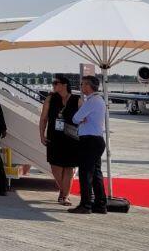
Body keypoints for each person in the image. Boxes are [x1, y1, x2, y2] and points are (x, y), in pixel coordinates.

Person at [38, 74, 80, 205]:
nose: (53, 85)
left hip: (71, 138)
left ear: (64, 85)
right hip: (54, 137)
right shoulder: (50, 99)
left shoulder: (77, 100)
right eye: (53, 83)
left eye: (56, 83)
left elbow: (84, 119)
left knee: (69, 168)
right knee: (55, 166)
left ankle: (65, 196)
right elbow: (43, 118)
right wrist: (41, 134)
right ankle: (63, 190)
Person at [68, 75, 107, 214]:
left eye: (83, 84)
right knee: (96, 173)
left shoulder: (91, 101)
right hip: (96, 140)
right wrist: (81, 118)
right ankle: (100, 204)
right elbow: (79, 118)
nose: (81, 86)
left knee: (86, 173)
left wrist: (81, 118)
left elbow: (75, 118)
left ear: (89, 86)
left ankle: (86, 205)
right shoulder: (98, 100)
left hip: (90, 141)